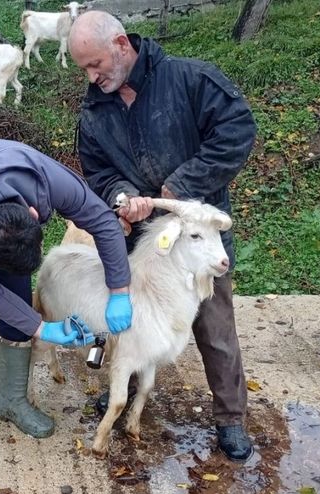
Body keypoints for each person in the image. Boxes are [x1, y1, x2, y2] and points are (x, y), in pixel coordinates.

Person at [68, 10, 257, 461]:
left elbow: (237, 130)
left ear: (120, 44)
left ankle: (230, 419)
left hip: (196, 243)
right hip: (143, 248)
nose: (92, 77)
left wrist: (181, 188)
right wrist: (121, 197)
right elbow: (97, 171)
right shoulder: (94, 112)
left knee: (214, 328)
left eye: (95, 64)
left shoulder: (189, 79)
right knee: (131, 323)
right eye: (84, 69)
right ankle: (125, 389)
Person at [0, 138, 133, 464]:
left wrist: (120, 291)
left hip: (2, 171)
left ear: (32, 214)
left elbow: (103, 221)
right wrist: (44, 329)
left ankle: (11, 400)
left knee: (18, 298)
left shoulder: (43, 177)